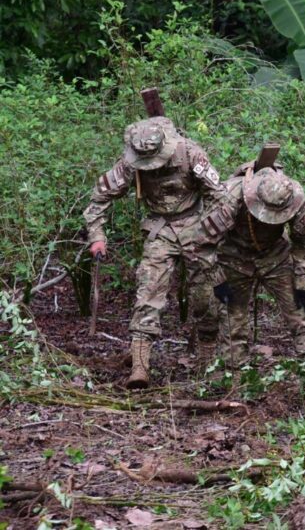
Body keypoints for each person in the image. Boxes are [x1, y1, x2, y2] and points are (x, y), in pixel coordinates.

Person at [83, 116, 227, 389]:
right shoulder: (131, 162)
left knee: (205, 296)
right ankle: (140, 367)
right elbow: (100, 196)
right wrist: (97, 236)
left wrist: (214, 231)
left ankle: (207, 362)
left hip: (196, 228)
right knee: (148, 293)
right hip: (159, 230)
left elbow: (219, 195)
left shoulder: (190, 153)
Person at [200, 166, 305, 367]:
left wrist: (303, 283)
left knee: (298, 308)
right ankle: (235, 372)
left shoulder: (294, 196)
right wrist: (218, 280)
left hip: (275, 255)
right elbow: (203, 243)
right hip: (234, 256)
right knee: (232, 316)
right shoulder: (230, 196)